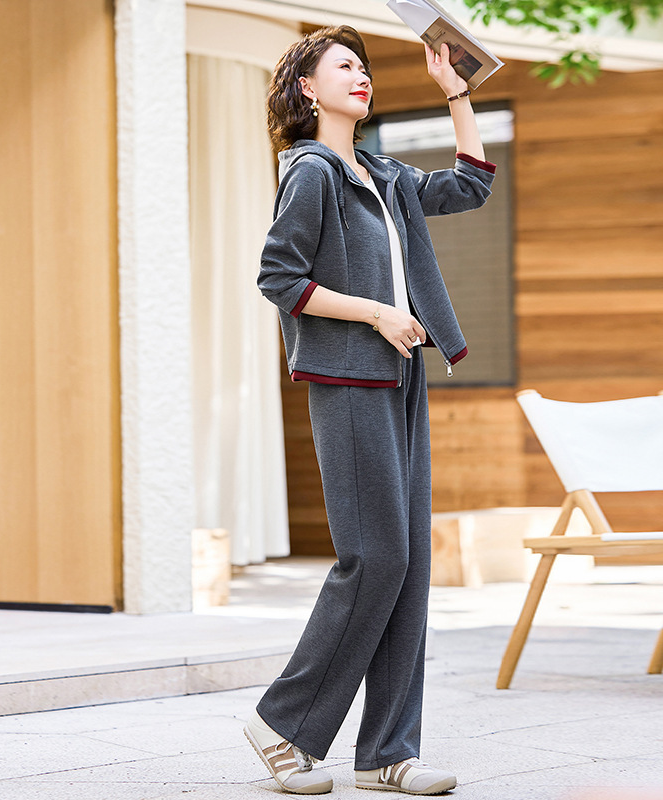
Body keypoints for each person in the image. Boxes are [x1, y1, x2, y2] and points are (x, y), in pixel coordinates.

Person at [247, 25, 496, 795]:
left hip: (401, 379)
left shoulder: (381, 174)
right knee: (377, 557)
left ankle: (387, 751)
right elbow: (279, 277)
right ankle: (282, 727)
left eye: (364, 68)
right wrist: (377, 313)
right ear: (308, 90)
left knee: (409, 567)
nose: (361, 77)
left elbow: (470, 183)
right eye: (343, 67)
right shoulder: (313, 172)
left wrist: (455, 90)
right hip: (349, 375)